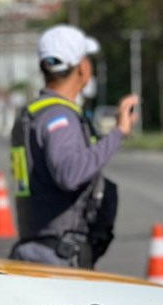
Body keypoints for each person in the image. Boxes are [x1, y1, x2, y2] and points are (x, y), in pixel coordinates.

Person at [10, 24, 138, 268]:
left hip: (35, 247)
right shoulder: (60, 117)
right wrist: (118, 133)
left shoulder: (33, 115)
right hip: (59, 256)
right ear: (82, 68)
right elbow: (70, 173)